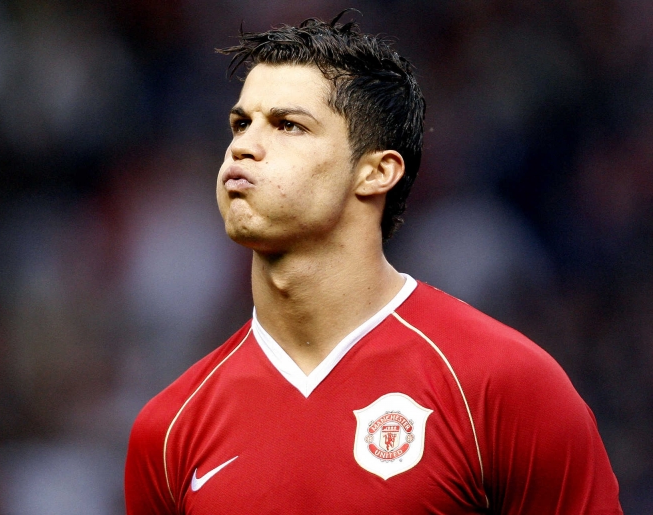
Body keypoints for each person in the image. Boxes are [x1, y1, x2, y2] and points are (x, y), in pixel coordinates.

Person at [124, 12, 622, 514]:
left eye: (288, 125)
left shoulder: (503, 385)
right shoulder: (168, 430)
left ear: (377, 172)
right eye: (240, 124)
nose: (243, 148)